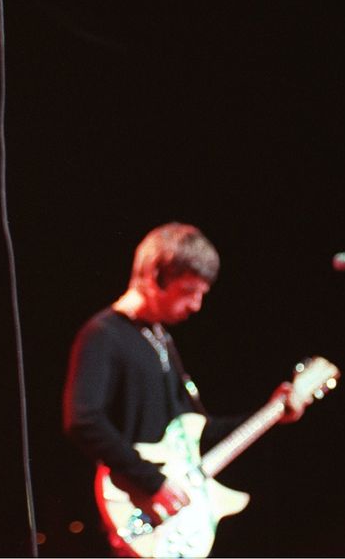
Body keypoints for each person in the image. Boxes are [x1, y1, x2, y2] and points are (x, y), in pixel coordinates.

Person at [63, 222, 309, 555]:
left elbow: (196, 430)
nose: (196, 305)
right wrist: (153, 482)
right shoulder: (103, 334)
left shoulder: (161, 340)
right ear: (156, 275)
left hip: (170, 517)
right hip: (134, 511)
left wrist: (270, 412)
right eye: (189, 291)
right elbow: (83, 419)